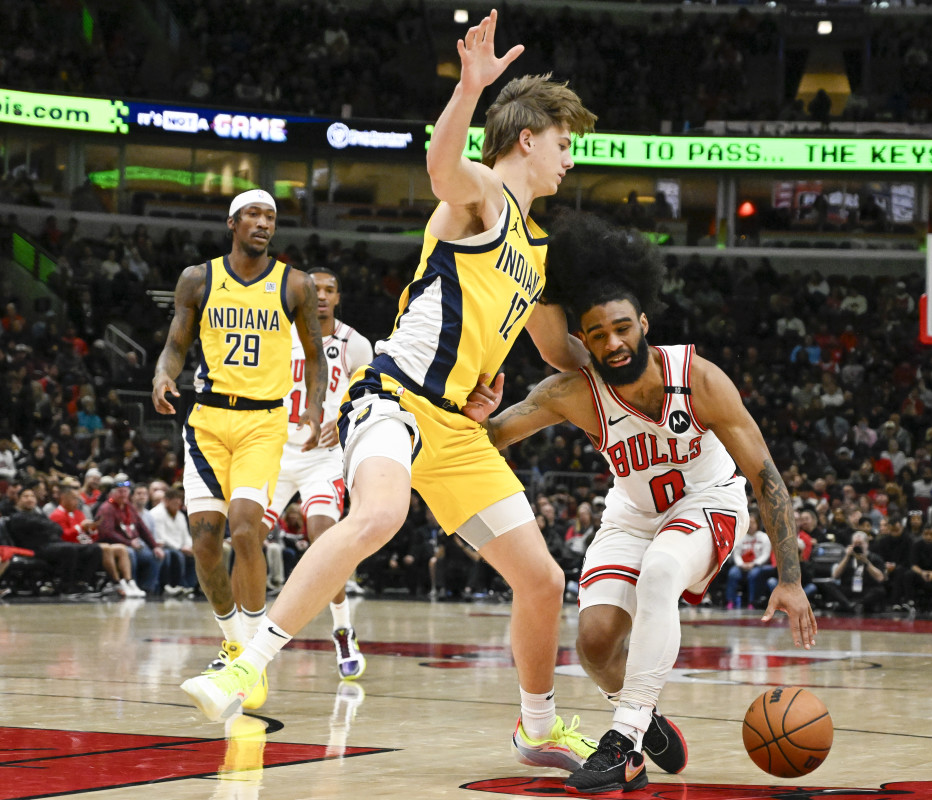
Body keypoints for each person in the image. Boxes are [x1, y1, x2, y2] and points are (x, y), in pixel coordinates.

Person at [180, 10, 600, 775]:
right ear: (529, 139)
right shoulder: (481, 197)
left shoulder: (537, 255)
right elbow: (444, 169)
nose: (572, 159)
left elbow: (555, 351)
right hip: (395, 397)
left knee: (541, 580)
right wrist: (470, 90)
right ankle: (247, 661)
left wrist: (628, 362)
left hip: (458, 427)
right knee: (379, 512)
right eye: (566, 143)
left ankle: (536, 727)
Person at [479, 211, 816, 792]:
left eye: (622, 328)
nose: (613, 343)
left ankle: (624, 740)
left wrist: (790, 578)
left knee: (661, 572)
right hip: (632, 515)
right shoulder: (571, 394)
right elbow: (492, 439)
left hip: (708, 503)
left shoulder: (698, 378)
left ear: (643, 323)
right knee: (594, 644)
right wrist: (474, 414)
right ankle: (645, 715)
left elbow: (767, 478)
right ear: (582, 340)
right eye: (599, 334)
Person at [153, 187, 325, 713]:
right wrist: (163, 374)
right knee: (205, 540)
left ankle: (253, 657)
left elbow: (315, 357)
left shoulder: (294, 283)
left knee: (247, 525)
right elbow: (177, 341)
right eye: (253, 214)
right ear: (232, 222)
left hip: (263, 420)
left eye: (270, 217)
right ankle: (232, 643)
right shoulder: (198, 278)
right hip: (207, 419)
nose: (263, 223)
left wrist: (314, 407)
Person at [259, 266, 372, 680]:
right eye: (314, 289)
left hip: (323, 456)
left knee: (324, 536)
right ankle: (244, 637)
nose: (321, 295)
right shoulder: (278, 334)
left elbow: (371, 393)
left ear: (338, 297)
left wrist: (342, 417)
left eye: (329, 289)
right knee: (247, 537)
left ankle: (342, 628)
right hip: (273, 452)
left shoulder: (353, 343)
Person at [49, 477, 142, 597]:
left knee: (121, 549)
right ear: (63, 498)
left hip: (85, 545)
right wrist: (80, 528)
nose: (77, 502)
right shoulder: (57, 515)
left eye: (77, 499)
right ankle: (116, 582)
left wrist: (92, 530)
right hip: (72, 549)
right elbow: (63, 537)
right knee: (106, 548)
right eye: (74, 499)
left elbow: (90, 536)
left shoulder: (79, 513)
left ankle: (129, 581)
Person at [95, 474, 164, 595]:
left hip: (133, 543)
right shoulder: (107, 508)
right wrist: (128, 542)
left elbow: (142, 528)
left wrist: (155, 546)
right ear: (112, 493)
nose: (123, 494)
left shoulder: (129, 507)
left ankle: (148, 588)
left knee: (153, 556)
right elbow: (107, 533)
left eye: (125, 491)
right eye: (120, 491)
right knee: (130, 553)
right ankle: (131, 583)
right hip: (115, 545)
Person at [823, 530, 887, 613]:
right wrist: (847, 557)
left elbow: (880, 578)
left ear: (866, 544)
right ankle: (849, 605)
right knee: (829, 585)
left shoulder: (875, 558)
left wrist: (866, 562)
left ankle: (856, 604)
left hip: (866, 589)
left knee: (880, 591)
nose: (858, 546)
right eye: (855, 544)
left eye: (860, 544)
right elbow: (835, 575)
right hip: (849, 587)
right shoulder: (846, 557)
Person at [150, 487, 196, 596]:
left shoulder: (180, 515)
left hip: (180, 547)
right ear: (166, 501)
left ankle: (190, 586)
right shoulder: (156, 514)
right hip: (163, 545)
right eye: (175, 502)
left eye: (179, 501)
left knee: (194, 555)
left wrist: (189, 546)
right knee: (177, 555)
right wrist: (180, 548)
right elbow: (161, 537)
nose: (178, 504)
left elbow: (186, 535)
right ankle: (177, 585)